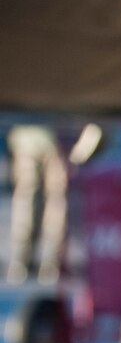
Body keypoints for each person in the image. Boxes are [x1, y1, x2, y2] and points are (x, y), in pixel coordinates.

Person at [6, 123, 67, 287]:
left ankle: (43, 261)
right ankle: (29, 261)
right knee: (44, 198)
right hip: (42, 131)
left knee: (49, 198)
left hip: (45, 132)